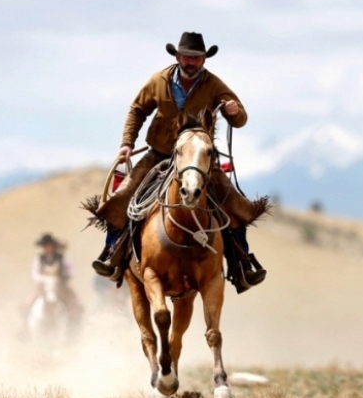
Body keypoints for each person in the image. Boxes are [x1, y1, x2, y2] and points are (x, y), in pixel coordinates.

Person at [87, 32, 268, 292]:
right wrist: (127, 143)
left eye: (197, 58)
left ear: (204, 59)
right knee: (123, 196)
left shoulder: (214, 84)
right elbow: (137, 109)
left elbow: (240, 118)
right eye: (187, 57)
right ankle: (112, 252)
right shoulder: (158, 81)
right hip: (159, 153)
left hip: (198, 159)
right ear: (177, 56)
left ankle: (242, 264)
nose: (192, 63)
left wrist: (235, 112)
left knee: (235, 205)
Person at [22, 233, 83, 321]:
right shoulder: (39, 258)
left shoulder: (62, 257)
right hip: (43, 286)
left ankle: (74, 325)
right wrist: (43, 279)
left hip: (60, 286)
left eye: (50, 246)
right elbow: (35, 273)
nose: (49, 248)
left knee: (75, 305)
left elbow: (71, 270)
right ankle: (25, 328)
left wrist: (63, 278)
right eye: (46, 246)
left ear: (54, 246)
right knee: (27, 304)